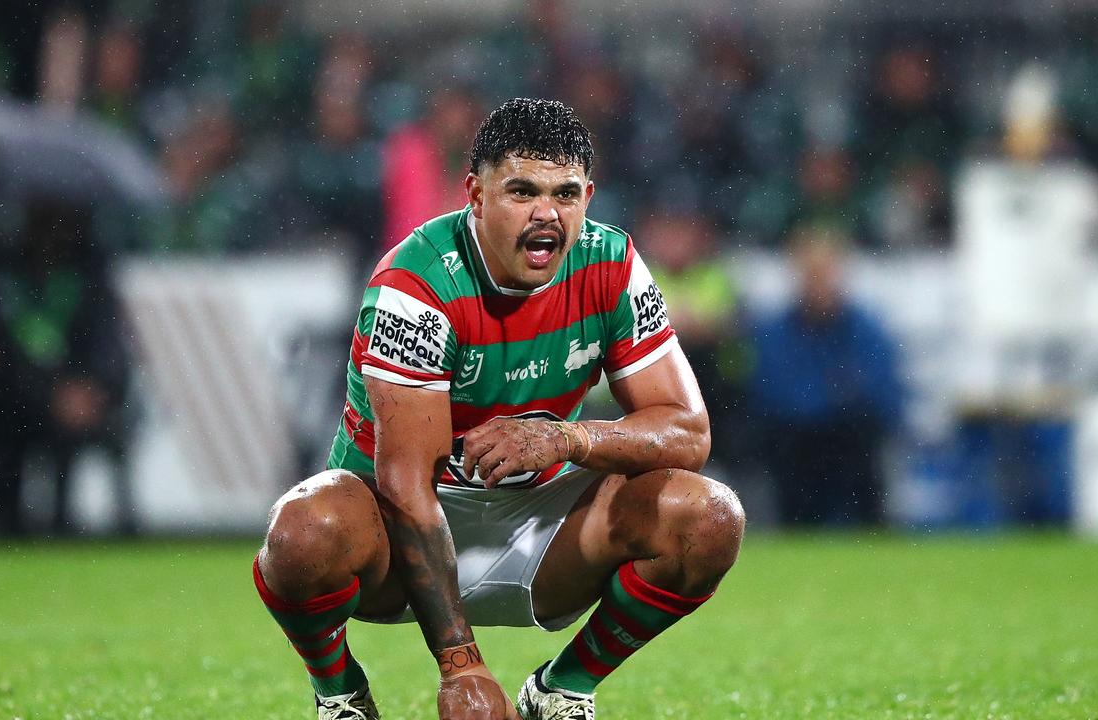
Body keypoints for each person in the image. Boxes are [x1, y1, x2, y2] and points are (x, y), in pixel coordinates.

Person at [253, 98, 745, 720]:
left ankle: (561, 690)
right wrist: (461, 665)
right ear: (475, 194)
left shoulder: (612, 263)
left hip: (543, 521)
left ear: (589, 196)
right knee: (300, 534)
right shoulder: (418, 283)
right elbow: (406, 485)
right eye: (522, 191)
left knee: (709, 519)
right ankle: (340, 694)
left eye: (566, 194)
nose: (547, 215)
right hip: (400, 532)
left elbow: (686, 429)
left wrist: (565, 440)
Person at [750, 224, 903, 525]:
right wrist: (837, 395)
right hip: (797, 444)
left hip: (853, 441)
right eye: (811, 273)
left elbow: (883, 395)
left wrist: (828, 400)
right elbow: (772, 395)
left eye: (825, 272)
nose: (818, 283)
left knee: (863, 443)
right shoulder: (775, 331)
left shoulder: (866, 328)